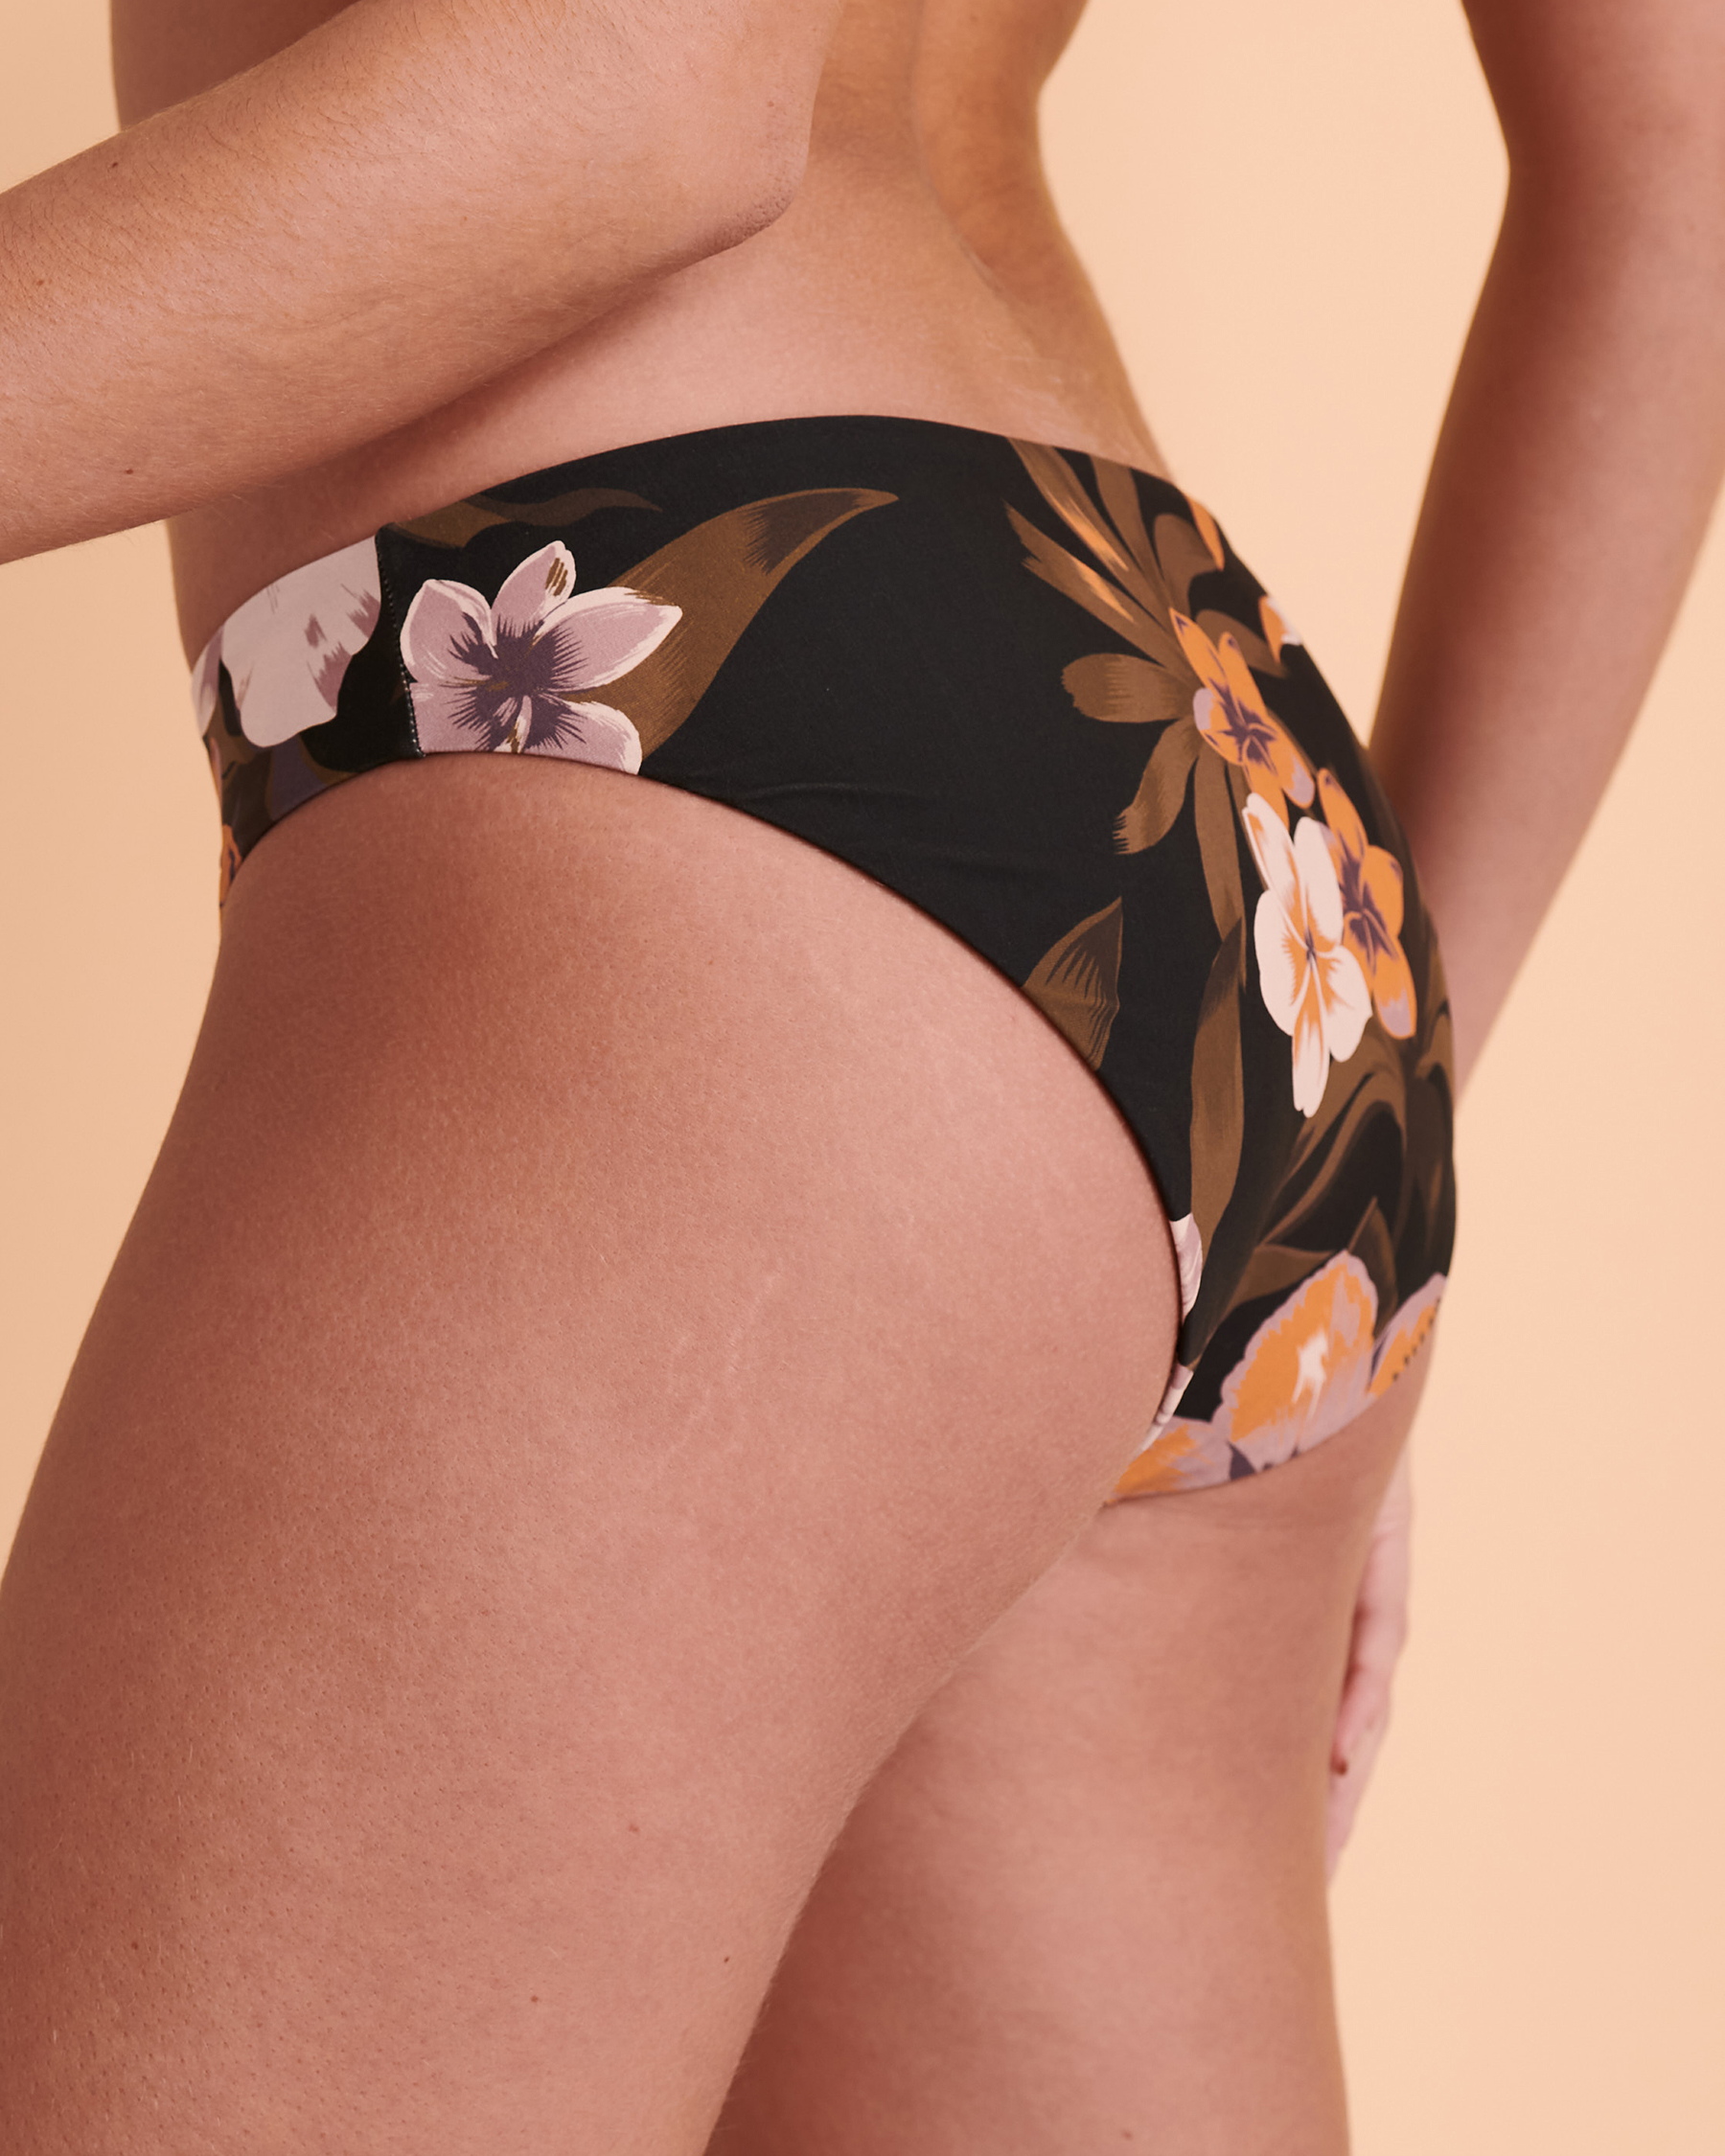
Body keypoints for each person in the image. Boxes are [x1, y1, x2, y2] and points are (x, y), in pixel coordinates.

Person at [0, 1, 1718, 2147]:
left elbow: (644, 93)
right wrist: (1379, 1092)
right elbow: (1683, 149)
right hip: (1212, 822)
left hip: (665, 706)